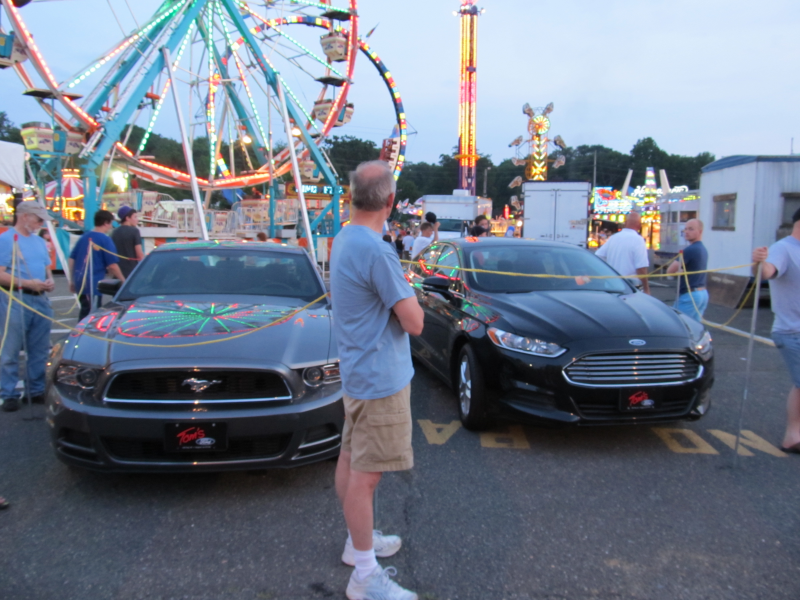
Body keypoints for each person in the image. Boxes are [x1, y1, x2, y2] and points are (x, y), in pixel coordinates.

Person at [330, 160, 424, 600]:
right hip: (380, 378)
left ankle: (358, 543)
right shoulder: (377, 251)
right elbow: (415, 322)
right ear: (390, 201)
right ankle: (365, 576)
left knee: (351, 461)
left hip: (357, 372)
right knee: (366, 477)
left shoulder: (344, 238)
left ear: (352, 197)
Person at [752, 207, 800, 453]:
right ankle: (792, 436)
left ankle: (794, 434)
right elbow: (766, 272)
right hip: (792, 331)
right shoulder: (783, 248)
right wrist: (758, 262)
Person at [0, 202, 55, 412]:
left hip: (40, 298)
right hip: (16, 298)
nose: (41, 223)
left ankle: (35, 390)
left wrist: (49, 281)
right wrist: (29, 283)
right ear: (24, 216)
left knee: (39, 349)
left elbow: (46, 267)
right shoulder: (6, 240)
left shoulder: (39, 241)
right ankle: (9, 393)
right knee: (10, 349)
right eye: (38, 219)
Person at [69, 210, 125, 321]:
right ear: (106, 223)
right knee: (91, 314)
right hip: (93, 282)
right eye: (111, 223)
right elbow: (112, 265)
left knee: (85, 309)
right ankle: (82, 331)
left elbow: (71, 258)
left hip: (80, 280)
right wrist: (123, 281)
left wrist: (72, 280)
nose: (111, 226)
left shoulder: (84, 237)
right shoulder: (105, 239)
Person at [595, 211, 650, 294]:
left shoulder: (614, 238)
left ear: (625, 223)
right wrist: (646, 288)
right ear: (639, 225)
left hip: (611, 285)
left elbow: (598, 256)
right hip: (630, 286)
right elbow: (641, 268)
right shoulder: (638, 240)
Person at [667, 219, 708, 320]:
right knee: (694, 326)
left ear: (700, 231)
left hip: (690, 295)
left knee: (677, 322)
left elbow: (670, 271)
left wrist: (678, 272)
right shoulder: (703, 249)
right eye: (685, 229)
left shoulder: (689, 250)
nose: (687, 232)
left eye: (691, 229)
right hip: (702, 293)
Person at [110, 206, 144, 279]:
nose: (137, 220)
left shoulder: (114, 232)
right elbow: (140, 255)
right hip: (132, 272)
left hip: (117, 273)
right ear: (127, 218)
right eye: (135, 217)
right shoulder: (135, 231)